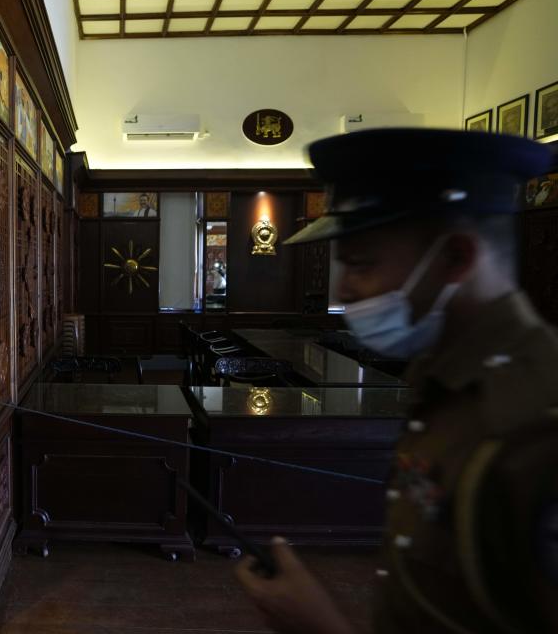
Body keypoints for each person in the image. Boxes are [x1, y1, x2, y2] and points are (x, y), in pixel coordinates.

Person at [234, 129, 558, 633]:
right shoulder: (448, 383)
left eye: (361, 264)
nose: (343, 288)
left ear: (456, 258)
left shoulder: (535, 425)